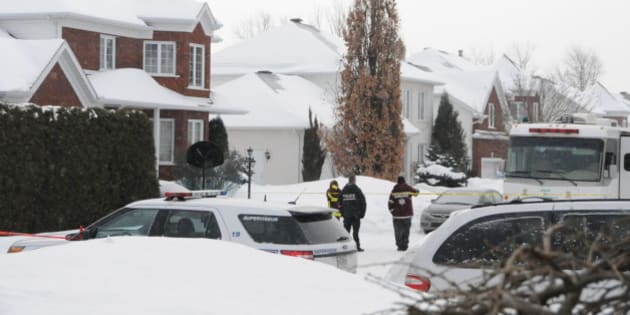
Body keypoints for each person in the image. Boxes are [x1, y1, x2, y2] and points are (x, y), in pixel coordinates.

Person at [388, 176, 419, 251]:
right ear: (404, 181)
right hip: (407, 215)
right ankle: (405, 245)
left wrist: (392, 211)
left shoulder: (394, 190)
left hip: (397, 216)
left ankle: (399, 245)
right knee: (406, 231)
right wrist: (417, 190)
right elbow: (416, 193)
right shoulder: (408, 188)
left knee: (398, 231)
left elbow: (390, 203)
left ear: (397, 182)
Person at [339, 175, 366, 252]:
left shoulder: (344, 190)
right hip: (355, 216)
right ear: (354, 180)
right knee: (355, 233)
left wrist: (342, 213)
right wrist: (361, 214)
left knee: (346, 233)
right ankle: (357, 247)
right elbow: (363, 202)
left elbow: (339, 203)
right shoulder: (357, 190)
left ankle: (345, 248)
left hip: (347, 216)